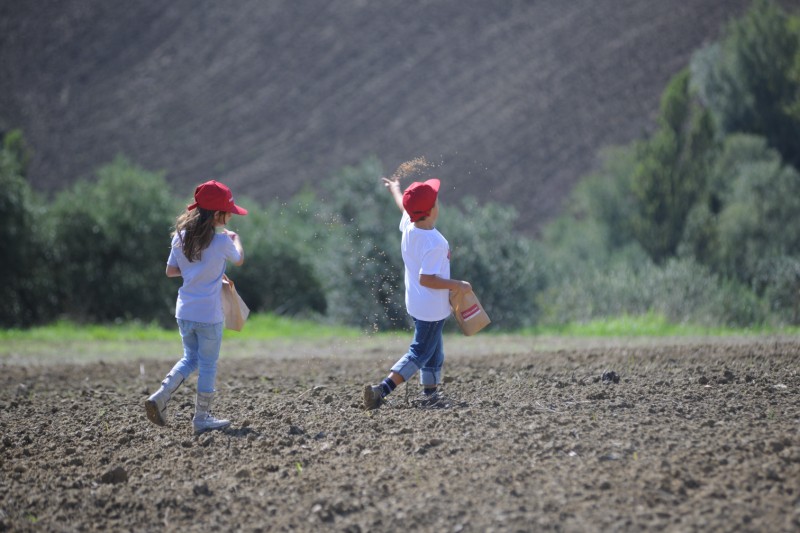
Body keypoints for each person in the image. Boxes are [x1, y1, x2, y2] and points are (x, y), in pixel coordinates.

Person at [145, 180, 247, 434]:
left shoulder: (179, 237)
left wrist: (196, 272)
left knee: (190, 358)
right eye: (228, 212)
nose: (230, 216)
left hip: (185, 311)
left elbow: (170, 271)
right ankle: (202, 417)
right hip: (209, 315)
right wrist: (236, 239)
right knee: (208, 363)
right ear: (217, 214)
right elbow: (239, 259)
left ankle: (160, 394)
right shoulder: (223, 241)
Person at [363, 175, 471, 409]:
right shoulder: (434, 242)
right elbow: (427, 279)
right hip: (431, 307)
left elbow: (403, 205)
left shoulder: (410, 225)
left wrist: (395, 189)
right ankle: (381, 390)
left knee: (434, 352)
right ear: (433, 209)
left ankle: (430, 395)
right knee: (420, 353)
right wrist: (458, 285)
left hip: (417, 302)